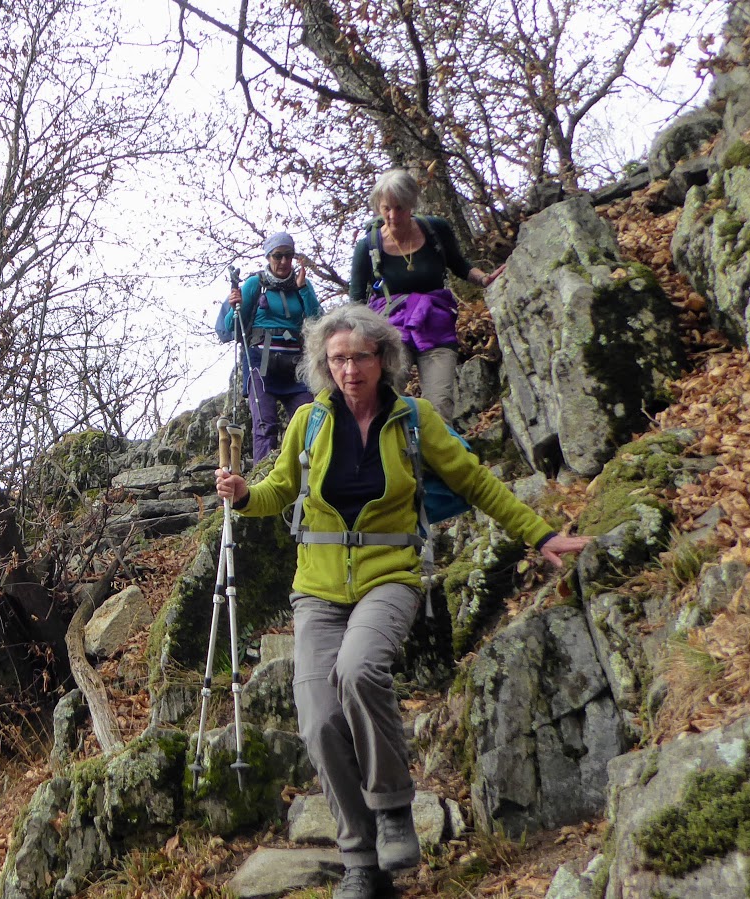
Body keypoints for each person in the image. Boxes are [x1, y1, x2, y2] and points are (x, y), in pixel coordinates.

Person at [213, 305, 590, 899]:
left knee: (359, 670)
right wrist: (243, 494)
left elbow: (475, 481)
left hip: (390, 576)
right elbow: (280, 489)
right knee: (318, 717)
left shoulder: (414, 420)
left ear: (382, 359)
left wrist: (541, 535)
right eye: (338, 359)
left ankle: (392, 808)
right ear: (325, 364)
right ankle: (360, 861)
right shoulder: (309, 421)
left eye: (360, 357)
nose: (350, 370)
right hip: (316, 590)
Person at [348, 170, 506, 423]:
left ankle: (436, 445)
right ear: (378, 206)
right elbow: (355, 299)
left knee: (440, 404)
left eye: (399, 208)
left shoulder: (435, 230)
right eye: (386, 208)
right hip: (390, 334)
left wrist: (484, 279)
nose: (392, 216)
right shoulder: (368, 247)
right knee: (385, 398)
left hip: (436, 327)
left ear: (411, 203)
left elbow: (458, 264)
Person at [215, 231, 323, 463]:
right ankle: (263, 477)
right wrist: (235, 306)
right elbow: (233, 326)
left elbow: (318, 321)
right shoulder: (255, 284)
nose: (283, 261)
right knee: (265, 425)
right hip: (260, 364)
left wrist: (303, 289)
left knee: (310, 423)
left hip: (297, 366)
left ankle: (307, 474)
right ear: (268, 257)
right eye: (277, 256)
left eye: (288, 255)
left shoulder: (302, 285)